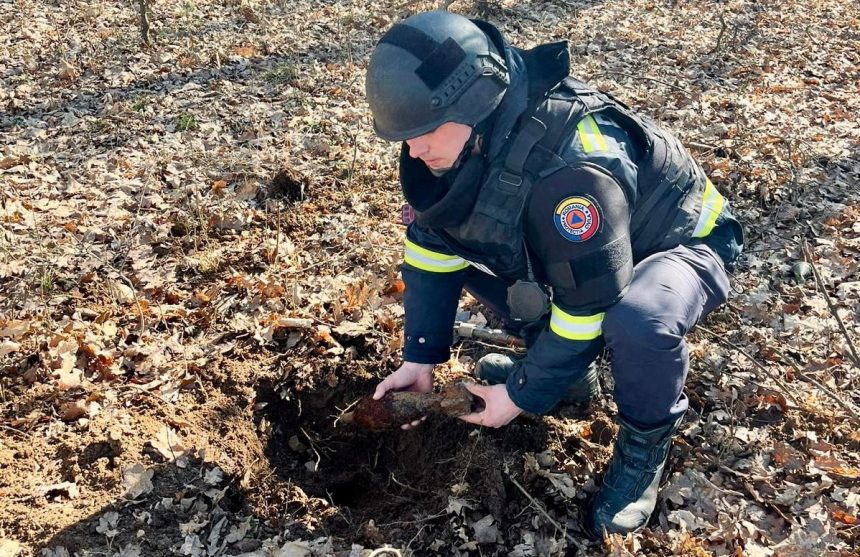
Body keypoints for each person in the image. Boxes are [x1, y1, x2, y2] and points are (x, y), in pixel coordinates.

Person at [365, 10, 743, 538]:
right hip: (588, 255)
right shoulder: (458, 144)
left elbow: (589, 306)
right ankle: (569, 382)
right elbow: (433, 247)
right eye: (404, 137)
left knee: (639, 320)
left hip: (677, 243)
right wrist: (420, 355)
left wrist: (522, 394)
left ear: (474, 107)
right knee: (477, 251)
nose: (412, 149)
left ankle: (644, 445)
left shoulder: (572, 171)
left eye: (423, 133)